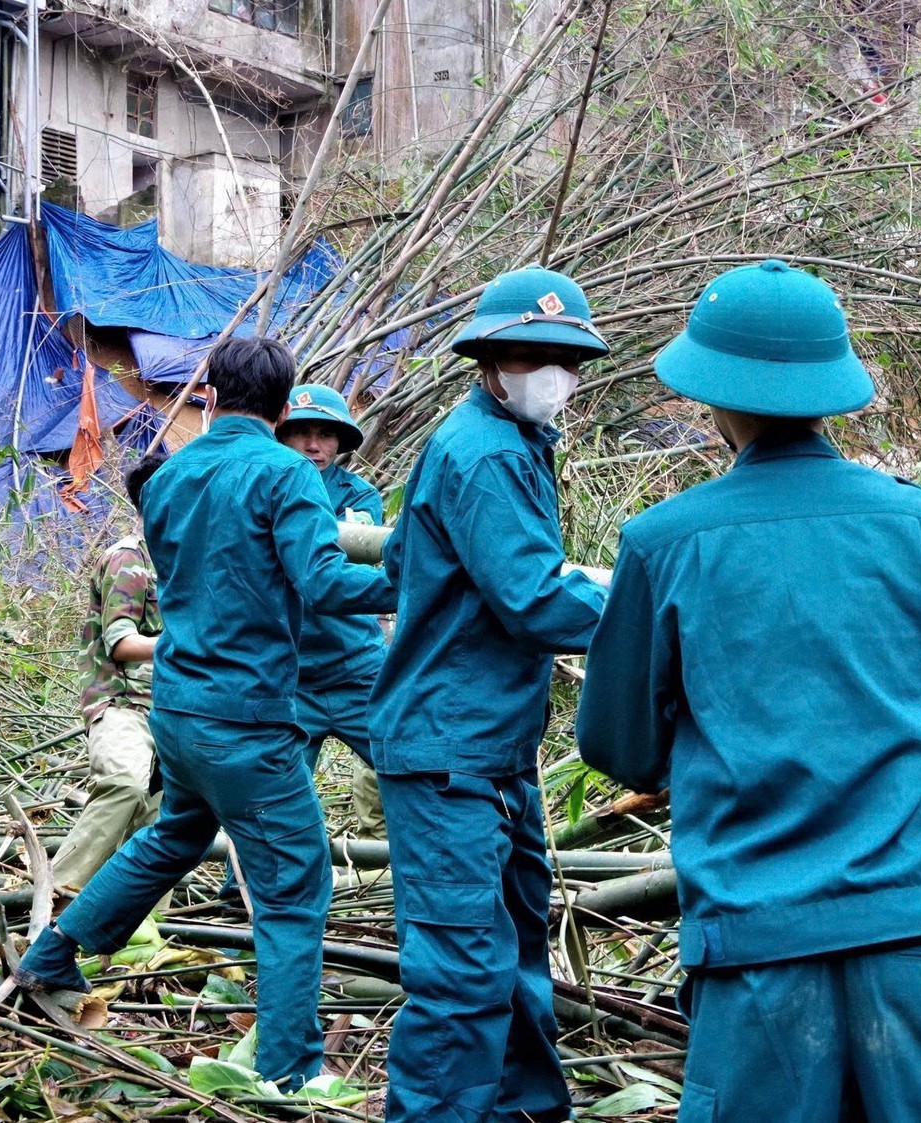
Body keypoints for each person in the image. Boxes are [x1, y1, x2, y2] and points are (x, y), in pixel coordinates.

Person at [574, 261, 921, 1123]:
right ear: (830, 389)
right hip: (917, 923)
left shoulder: (662, 544)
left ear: (711, 395)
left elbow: (618, 746)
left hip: (756, 940)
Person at [15, 337, 393, 1091]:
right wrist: (413, 576)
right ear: (285, 410)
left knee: (174, 836)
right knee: (294, 888)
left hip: (180, 709)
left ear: (210, 396)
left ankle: (52, 955)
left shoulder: (169, 474)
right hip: (245, 721)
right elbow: (320, 580)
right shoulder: (287, 472)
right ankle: (288, 1072)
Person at [366, 266, 611, 1123]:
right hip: (450, 751)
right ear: (492, 359)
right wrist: (655, 613)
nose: (552, 373)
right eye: (532, 354)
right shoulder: (485, 453)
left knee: (514, 947)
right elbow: (535, 595)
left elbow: (401, 562)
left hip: (491, 746)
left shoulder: (507, 444)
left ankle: (525, 1110)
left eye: (565, 358)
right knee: (466, 969)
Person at [52, 454, 169, 891]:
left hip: (170, 711)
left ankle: (143, 928)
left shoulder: (183, 563)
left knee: (159, 821)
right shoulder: (128, 559)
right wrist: (187, 646)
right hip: (123, 703)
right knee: (124, 782)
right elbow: (121, 643)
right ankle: (58, 894)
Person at [278, 384, 387, 838]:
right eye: (301, 432)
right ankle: (241, 895)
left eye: (326, 434)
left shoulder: (359, 497)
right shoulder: (267, 485)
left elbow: (340, 569)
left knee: (405, 764)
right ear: (281, 435)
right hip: (290, 674)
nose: (313, 445)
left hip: (356, 666)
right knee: (275, 795)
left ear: (341, 442)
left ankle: (420, 871)